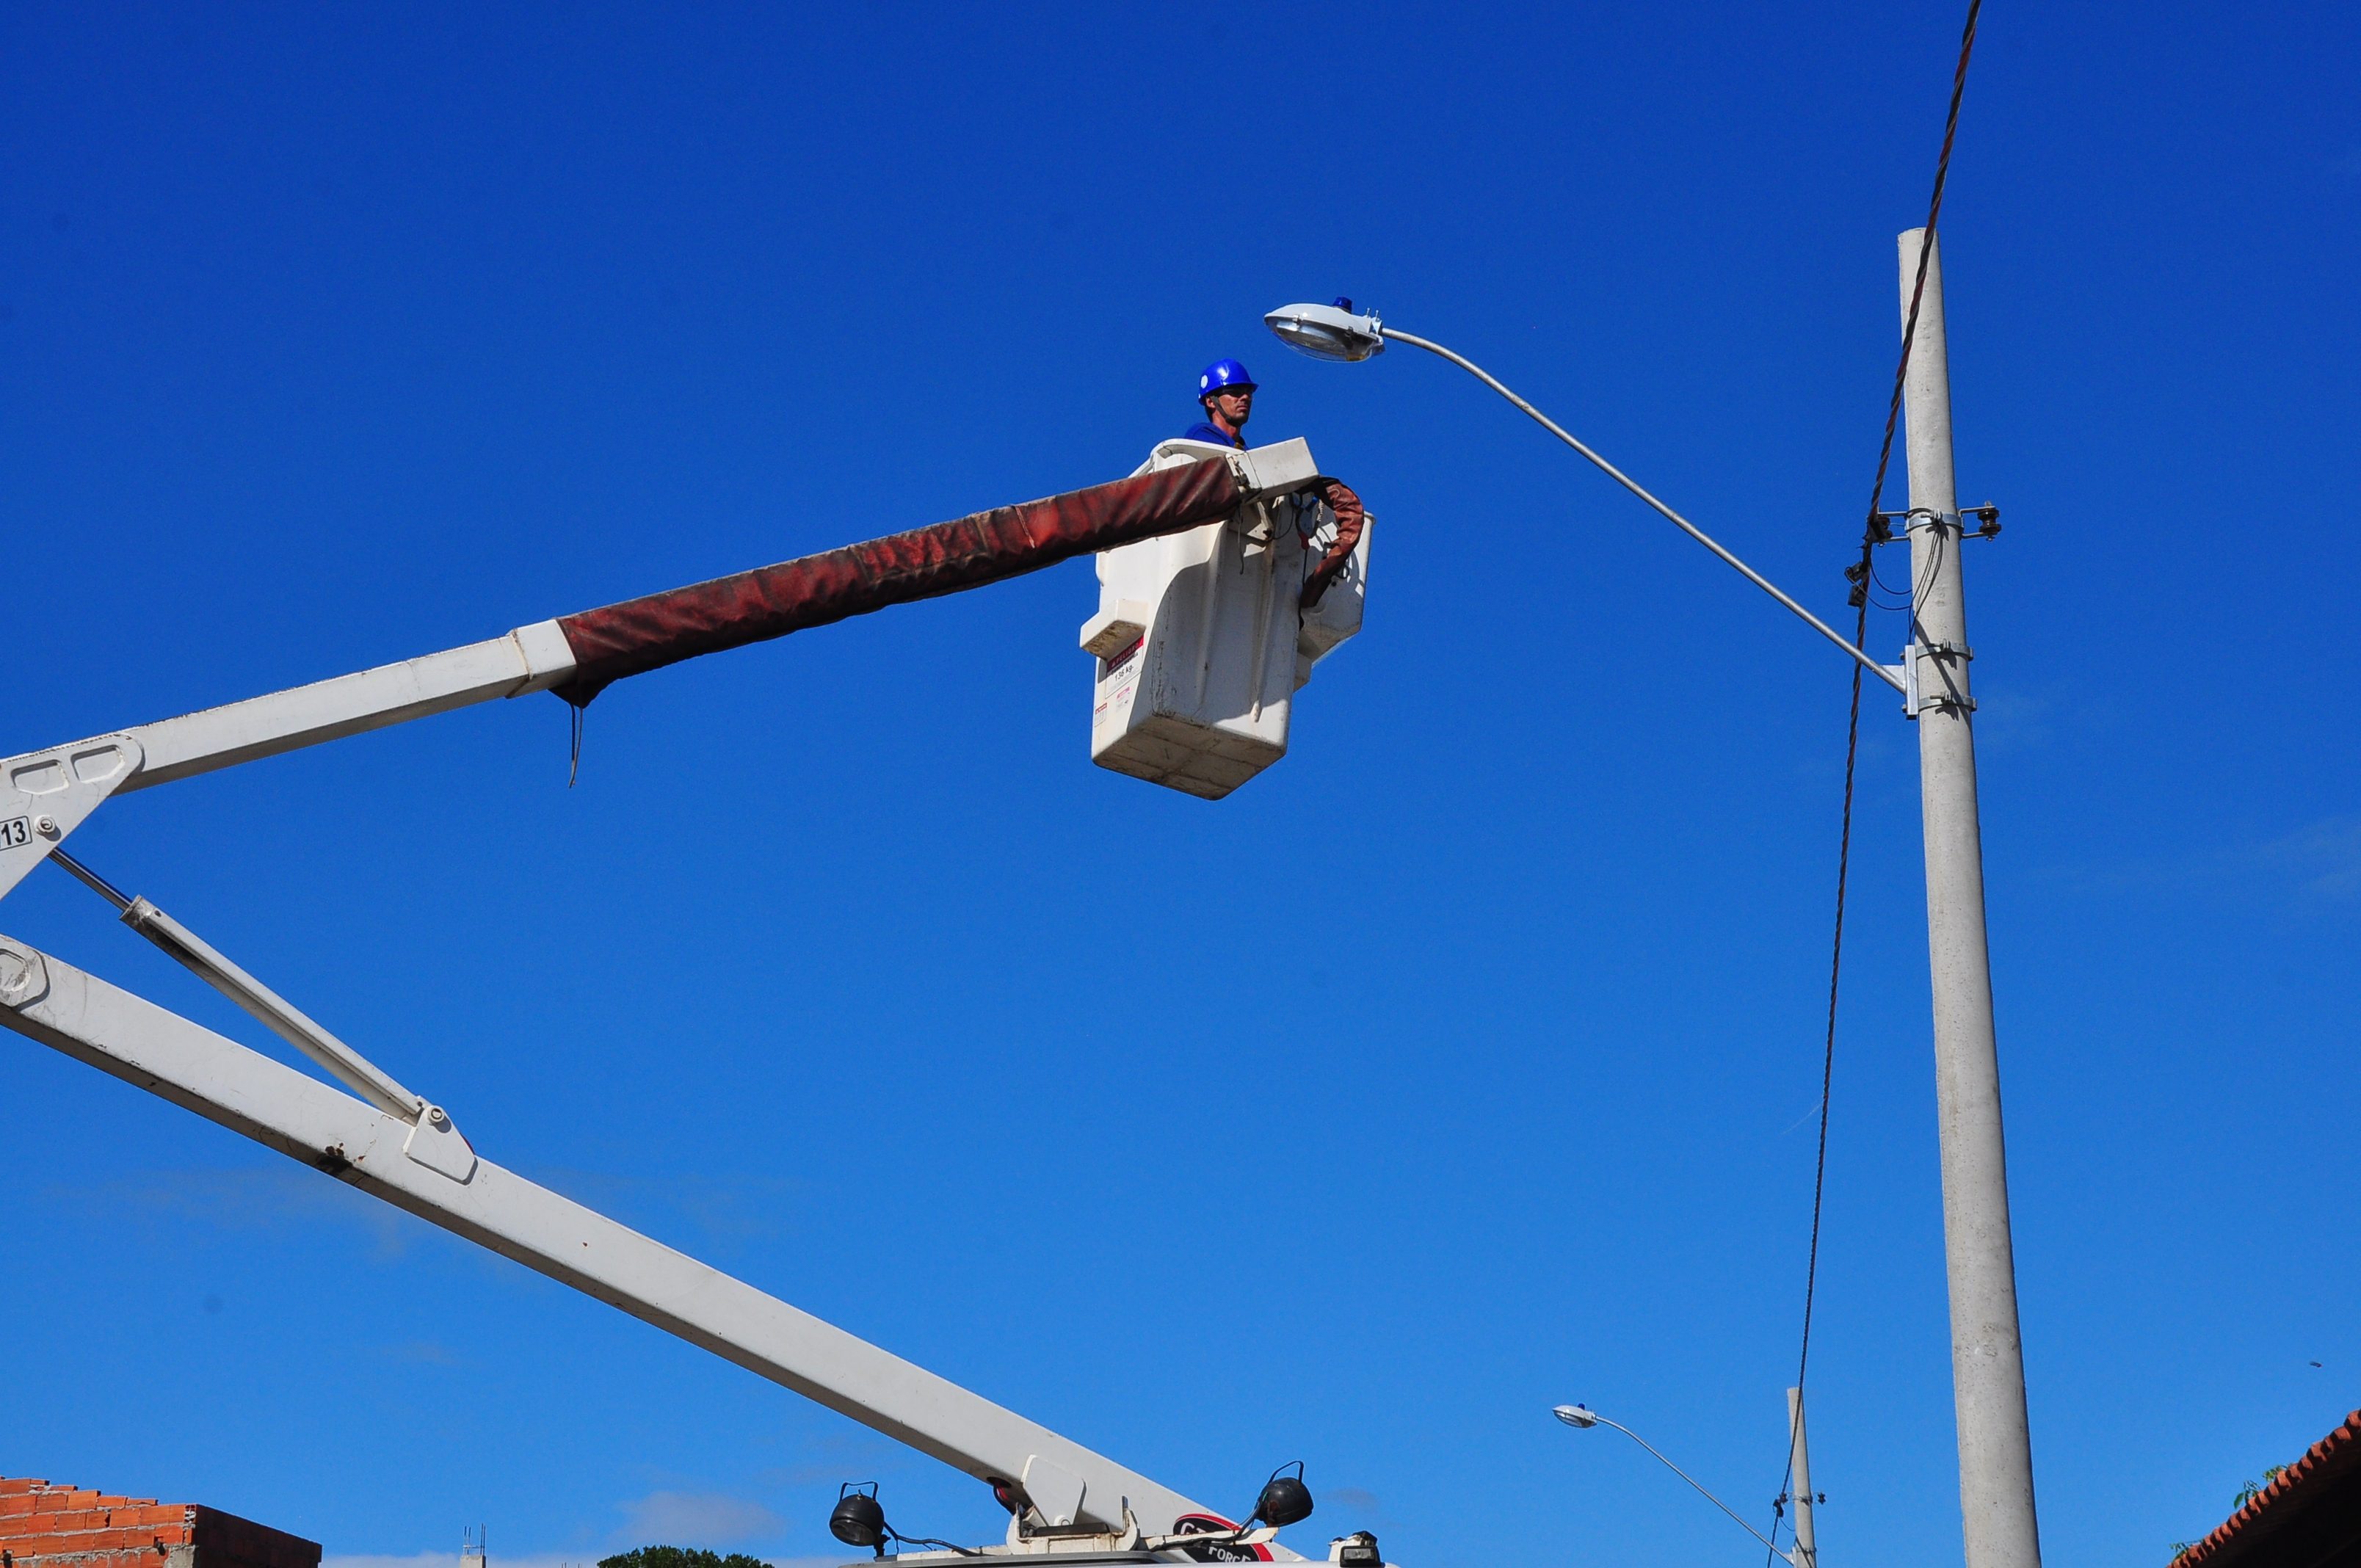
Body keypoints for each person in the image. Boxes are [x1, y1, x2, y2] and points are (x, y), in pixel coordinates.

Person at [1180, 358, 1256, 447]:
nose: (1245, 397)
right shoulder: (1201, 437)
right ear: (1211, 402)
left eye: (1249, 393)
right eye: (1235, 392)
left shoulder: (1247, 452)